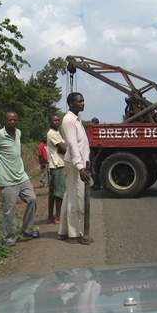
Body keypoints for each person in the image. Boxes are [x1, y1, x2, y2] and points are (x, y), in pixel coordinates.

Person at [0, 111, 38, 246]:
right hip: (7, 180)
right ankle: (9, 239)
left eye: (14, 120)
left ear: (17, 121)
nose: (12, 122)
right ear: (5, 121)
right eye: (9, 120)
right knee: (9, 211)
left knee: (32, 199)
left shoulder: (18, 132)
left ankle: (27, 230)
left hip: (22, 176)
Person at [59, 92, 91, 245]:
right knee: (75, 198)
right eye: (79, 101)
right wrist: (80, 167)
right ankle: (74, 234)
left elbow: (80, 144)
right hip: (74, 163)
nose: (83, 103)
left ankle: (64, 231)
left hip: (77, 162)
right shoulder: (69, 120)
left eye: (83, 101)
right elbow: (72, 145)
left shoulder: (76, 119)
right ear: (71, 104)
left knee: (69, 195)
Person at [47, 115, 66, 224]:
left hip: (56, 165)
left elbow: (61, 148)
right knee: (59, 193)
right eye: (54, 120)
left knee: (53, 193)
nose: (57, 122)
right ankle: (57, 217)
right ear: (50, 122)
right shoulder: (52, 133)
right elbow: (62, 148)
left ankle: (51, 216)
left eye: (58, 120)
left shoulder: (57, 133)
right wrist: (64, 146)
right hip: (57, 165)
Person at [89, 117, 101, 191]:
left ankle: (97, 185)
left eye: (94, 122)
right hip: (94, 154)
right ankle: (96, 184)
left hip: (96, 154)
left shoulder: (97, 131)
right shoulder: (95, 130)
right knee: (93, 169)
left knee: (94, 170)